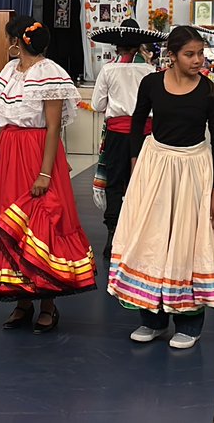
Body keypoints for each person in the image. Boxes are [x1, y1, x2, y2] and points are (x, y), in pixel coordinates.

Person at [0, 16, 95, 333]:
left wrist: (45, 173)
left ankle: (47, 304)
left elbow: (53, 127)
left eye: (10, 39)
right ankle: (22, 301)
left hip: (36, 155)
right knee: (9, 226)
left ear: (20, 41)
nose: (8, 44)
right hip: (8, 152)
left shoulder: (51, 75)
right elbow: (3, 121)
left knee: (39, 222)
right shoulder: (8, 71)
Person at [107, 25, 214, 350]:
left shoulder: (211, 93)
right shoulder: (151, 84)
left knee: (188, 244)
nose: (198, 60)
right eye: (190, 54)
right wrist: (135, 167)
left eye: (201, 53)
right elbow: (136, 123)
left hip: (193, 170)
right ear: (171, 56)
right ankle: (152, 319)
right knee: (152, 240)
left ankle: (189, 323)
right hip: (156, 165)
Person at [89, 19, 165, 258]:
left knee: (114, 183)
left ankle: (113, 235)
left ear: (116, 47)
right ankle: (141, 235)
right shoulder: (151, 70)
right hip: (146, 134)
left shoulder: (109, 70)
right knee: (143, 182)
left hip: (117, 133)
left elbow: (97, 104)